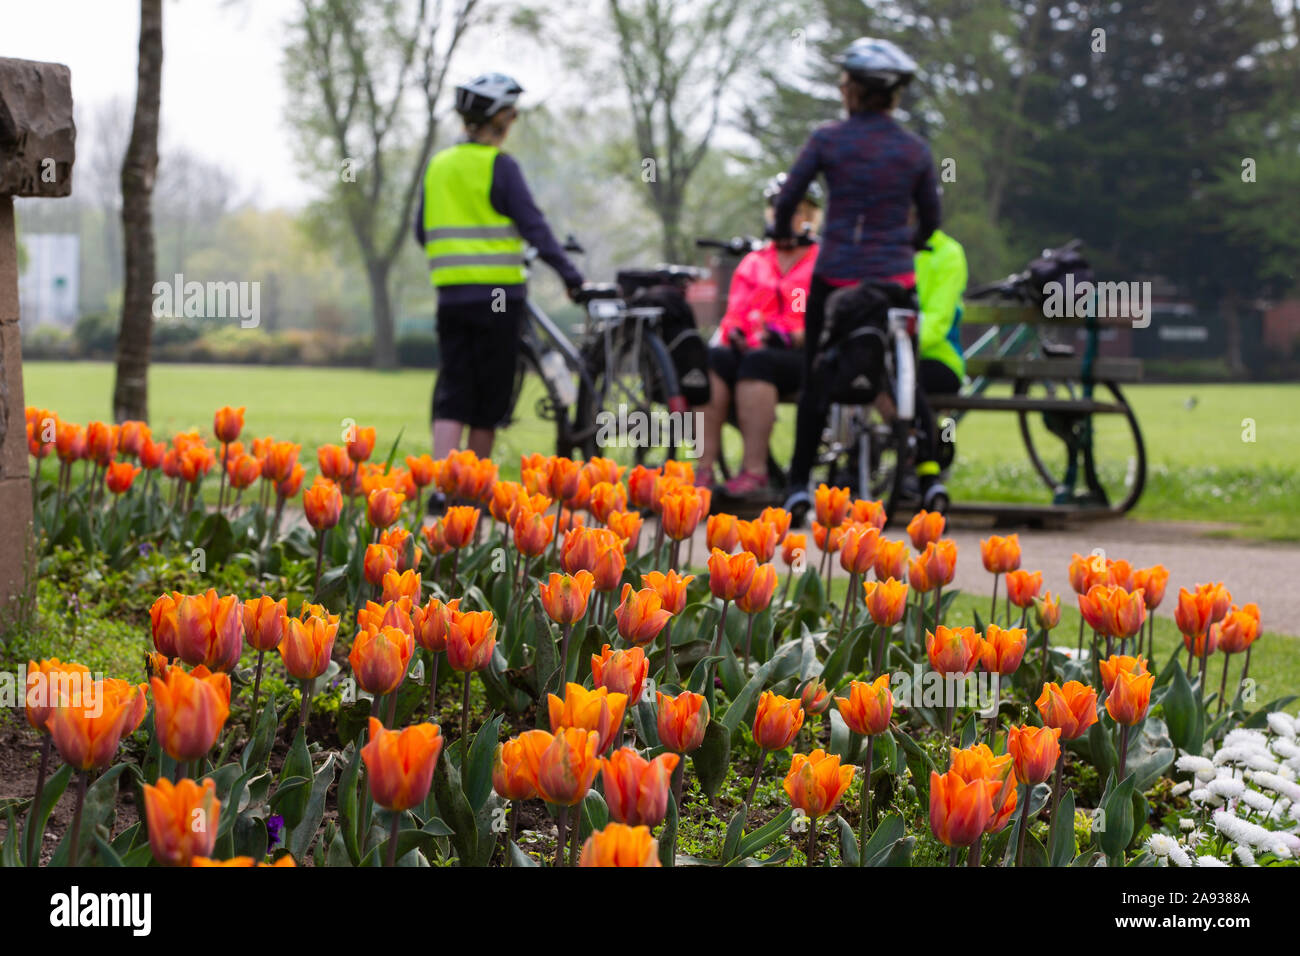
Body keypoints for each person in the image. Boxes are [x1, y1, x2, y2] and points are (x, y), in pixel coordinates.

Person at [770, 37, 946, 514]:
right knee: (908, 379)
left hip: (839, 279)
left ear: (853, 91)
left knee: (815, 381)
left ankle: (800, 483)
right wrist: (910, 241)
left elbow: (790, 196)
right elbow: (931, 216)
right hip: (895, 282)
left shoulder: (828, 139)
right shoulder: (914, 150)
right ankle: (930, 479)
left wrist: (781, 229)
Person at [415, 72, 584, 482]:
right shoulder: (499, 166)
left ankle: (442, 486)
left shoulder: (438, 165)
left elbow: (423, 231)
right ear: (497, 120)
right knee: (490, 397)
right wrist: (569, 274)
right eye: (510, 116)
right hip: (499, 299)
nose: (511, 124)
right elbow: (534, 227)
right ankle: (471, 491)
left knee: (454, 389)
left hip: (452, 298)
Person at [695, 175, 822, 497]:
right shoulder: (754, 263)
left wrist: (786, 335)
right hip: (755, 348)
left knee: (758, 363)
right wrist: (740, 332)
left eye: (796, 211)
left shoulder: (819, 261)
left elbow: (811, 318)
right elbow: (735, 313)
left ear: (809, 216)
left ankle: (755, 473)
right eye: (780, 210)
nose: (787, 217)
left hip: (800, 356)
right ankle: (703, 470)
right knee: (714, 360)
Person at [914, 226, 967, 472]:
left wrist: (903, 345)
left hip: (938, 357)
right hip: (890, 354)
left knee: (906, 382)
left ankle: (924, 461)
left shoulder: (948, 253)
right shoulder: (888, 247)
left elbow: (938, 320)